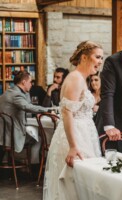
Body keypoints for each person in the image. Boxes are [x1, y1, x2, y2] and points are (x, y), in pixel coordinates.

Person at [43, 41, 103, 200]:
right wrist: (74, 146)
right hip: (76, 137)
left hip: (83, 133)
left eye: (101, 58)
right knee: (75, 186)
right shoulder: (76, 78)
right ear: (84, 57)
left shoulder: (81, 78)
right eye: (97, 57)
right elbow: (67, 113)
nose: (100, 61)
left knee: (82, 185)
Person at [0, 70, 49, 154]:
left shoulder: (10, 91)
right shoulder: (16, 95)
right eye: (30, 82)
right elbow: (27, 107)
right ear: (24, 82)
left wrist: (26, 92)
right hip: (10, 136)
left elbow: (27, 106)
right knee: (39, 138)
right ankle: (34, 166)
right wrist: (48, 109)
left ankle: (18, 162)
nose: (31, 84)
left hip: (4, 134)